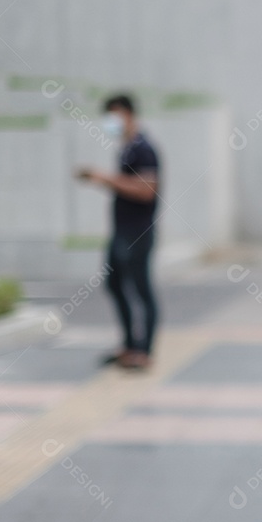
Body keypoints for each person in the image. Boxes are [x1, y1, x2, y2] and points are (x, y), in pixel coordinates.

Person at [76, 94, 161, 370]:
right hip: (121, 231)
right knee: (114, 284)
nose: (110, 123)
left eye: (114, 115)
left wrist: (105, 178)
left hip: (138, 232)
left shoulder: (143, 148)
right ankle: (129, 345)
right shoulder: (126, 149)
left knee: (141, 288)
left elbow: (147, 189)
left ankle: (144, 351)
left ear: (128, 114)